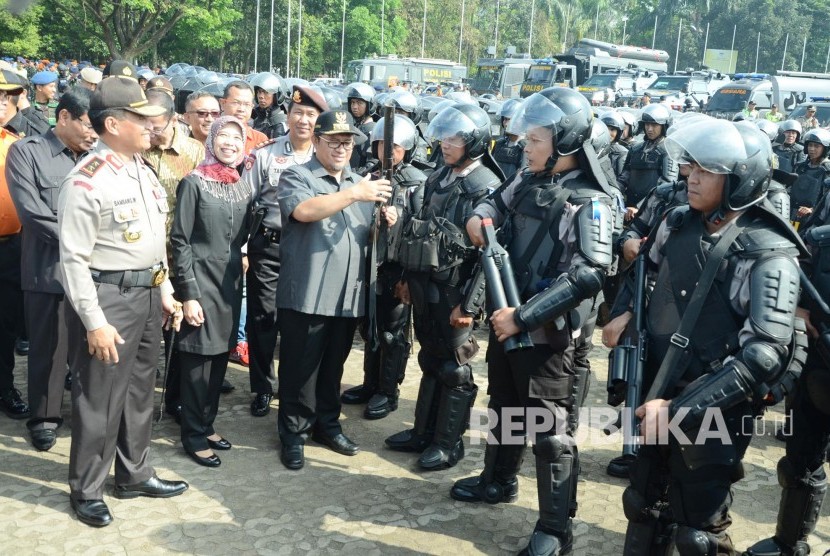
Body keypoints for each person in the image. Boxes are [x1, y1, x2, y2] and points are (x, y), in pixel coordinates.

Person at [602, 118, 805, 554]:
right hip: (655, 385)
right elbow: (645, 272)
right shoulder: (677, 222)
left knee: (698, 532)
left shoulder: (768, 253)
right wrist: (622, 313)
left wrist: (678, 409)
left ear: (740, 179)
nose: (691, 176)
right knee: (642, 505)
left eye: (706, 170)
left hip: (713, 406)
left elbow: (764, 356)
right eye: (691, 166)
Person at [451, 87, 615, 555]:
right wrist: (480, 219)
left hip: (549, 334)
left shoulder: (590, 202)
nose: (526, 145)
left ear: (565, 143)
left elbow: (589, 275)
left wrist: (524, 318)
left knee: (549, 434)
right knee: (503, 407)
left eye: (537, 139)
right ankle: (498, 480)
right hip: (508, 317)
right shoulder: (526, 178)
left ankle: (554, 529)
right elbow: (491, 204)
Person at [58, 76, 188, 528]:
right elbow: (72, 260)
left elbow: (154, 242)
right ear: (113, 123)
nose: (152, 125)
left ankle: (133, 473)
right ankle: (87, 488)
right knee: (100, 397)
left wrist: (166, 289)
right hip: (108, 297)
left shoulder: (139, 168)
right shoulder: (86, 181)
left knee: (137, 392)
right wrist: (94, 321)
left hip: (149, 294)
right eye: (140, 118)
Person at [274, 109, 395, 470]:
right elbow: (304, 211)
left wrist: (385, 222)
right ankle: (293, 433)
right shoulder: (299, 175)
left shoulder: (359, 183)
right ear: (316, 142)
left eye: (347, 142)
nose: (342, 149)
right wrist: (356, 194)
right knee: (300, 369)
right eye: (334, 142)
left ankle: (327, 424)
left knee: (334, 368)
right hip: (307, 294)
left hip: (346, 296)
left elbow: (365, 239)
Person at [386, 103, 503, 471]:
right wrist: (406, 278)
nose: (445, 143)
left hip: (457, 291)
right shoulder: (438, 177)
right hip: (427, 286)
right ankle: (423, 433)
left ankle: (448, 444)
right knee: (430, 359)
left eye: (454, 138)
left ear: (475, 141)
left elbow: (491, 255)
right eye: (445, 136)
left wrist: (471, 306)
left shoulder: (486, 186)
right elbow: (417, 227)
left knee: (455, 367)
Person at [6, 87, 97, 450]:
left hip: (97, 274)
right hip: (50, 270)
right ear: (63, 118)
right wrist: (92, 240)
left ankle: (89, 417)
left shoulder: (98, 159)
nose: (94, 134)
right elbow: (33, 214)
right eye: (89, 125)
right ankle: (44, 416)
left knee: (91, 349)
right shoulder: (28, 153)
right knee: (49, 348)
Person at [743, 187, 830, 556]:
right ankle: (789, 542)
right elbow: (797, 269)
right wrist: (799, 308)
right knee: (800, 462)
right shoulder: (820, 239)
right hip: (818, 368)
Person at [171, 116, 252, 468]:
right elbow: (180, 240)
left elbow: (244, 237)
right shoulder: (194, 182)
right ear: (211, 140)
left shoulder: (242, 185)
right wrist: (187, 294)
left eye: (237, 137)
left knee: (219, 358)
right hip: (200, 286)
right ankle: (191, 434)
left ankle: (206, 424)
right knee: (196, 365)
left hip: (230, 287)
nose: (230, 143)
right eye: (224, 136)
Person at [242, 84, 327, 417]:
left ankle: (295, 387)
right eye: (298, 113)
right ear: (287, 116)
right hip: (270, 246)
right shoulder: (265, 154)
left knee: (299, 323)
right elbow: (247, 204)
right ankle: (263, 386)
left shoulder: (326, 156)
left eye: (311, 115)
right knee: (263, 320)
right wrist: (246, 250)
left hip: (309, 253)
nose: (303, 121)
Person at [340, 114, 426, 419]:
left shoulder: (418, 181)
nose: (386, 152)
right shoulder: (368, 175)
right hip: (368, 264)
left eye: (394, 147)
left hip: (397, 267)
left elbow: (421, 227)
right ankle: (369, 384)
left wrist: (398, 219)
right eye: (381, 145)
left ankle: (388, 392)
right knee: (370, 328)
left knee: (393, 333)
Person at [142, 89, 207, 422]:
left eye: (156, 124)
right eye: (144, 123)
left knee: (181, 333)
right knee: (147, 328)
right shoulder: (136, 149)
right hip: (143, 256)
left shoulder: (195, 152)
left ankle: (177, 399)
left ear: (172, 119)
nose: (150, 131)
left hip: (180, 254)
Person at [0, 89, 28, 422]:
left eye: (6, 98)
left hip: (10, 248)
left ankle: (4, 387)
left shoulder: (14, 143)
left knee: (6, 325)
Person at [618, 103, 679, 221]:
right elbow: (624, 177)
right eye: (647, 124)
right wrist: (614, 193)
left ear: (664, 126)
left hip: (652, 212)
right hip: (628, 208)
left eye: (655, 125)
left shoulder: (668, 150)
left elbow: (666, 186)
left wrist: (641, 207)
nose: (649, 129)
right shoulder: (636, 149)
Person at [789, 128, 830, 228]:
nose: (812, 149)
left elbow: (827, 201)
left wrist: (812, 209)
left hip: (813, 218)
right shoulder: (800, 166)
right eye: (810, 145)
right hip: (792, 213)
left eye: (817, 146)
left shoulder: (827, 170)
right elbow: (790, 188)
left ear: (825, 148)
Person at [220, 80, 267, 155]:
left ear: (252, 107)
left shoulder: (260, 140)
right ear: (222, 103)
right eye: (236, 103)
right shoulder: (211, 134)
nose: (241, 109)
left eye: (247, 104)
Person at [345, 81, 377, 175]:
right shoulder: (353, 125)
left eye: (359, 103)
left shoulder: (374, 130)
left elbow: (373, 161)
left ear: (369, 105)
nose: (354, 107)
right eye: (353, 102)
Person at [491, 98, 526, 179]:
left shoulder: (526, 147)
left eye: (509, 119)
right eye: (505, 119)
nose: (505, 123)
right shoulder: (499, 143)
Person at [249, 72, 288, 139]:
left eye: (266, 92)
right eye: (259, 92)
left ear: (277, 95)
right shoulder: (256, 116)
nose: (260, 96)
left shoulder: (280, 123)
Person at [601, 110, 629, 187]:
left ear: (618, 133)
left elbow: (622, 180)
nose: (608, 132)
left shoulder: (621, 152)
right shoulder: (593, 148)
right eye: (606, 128)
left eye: (612, 129)